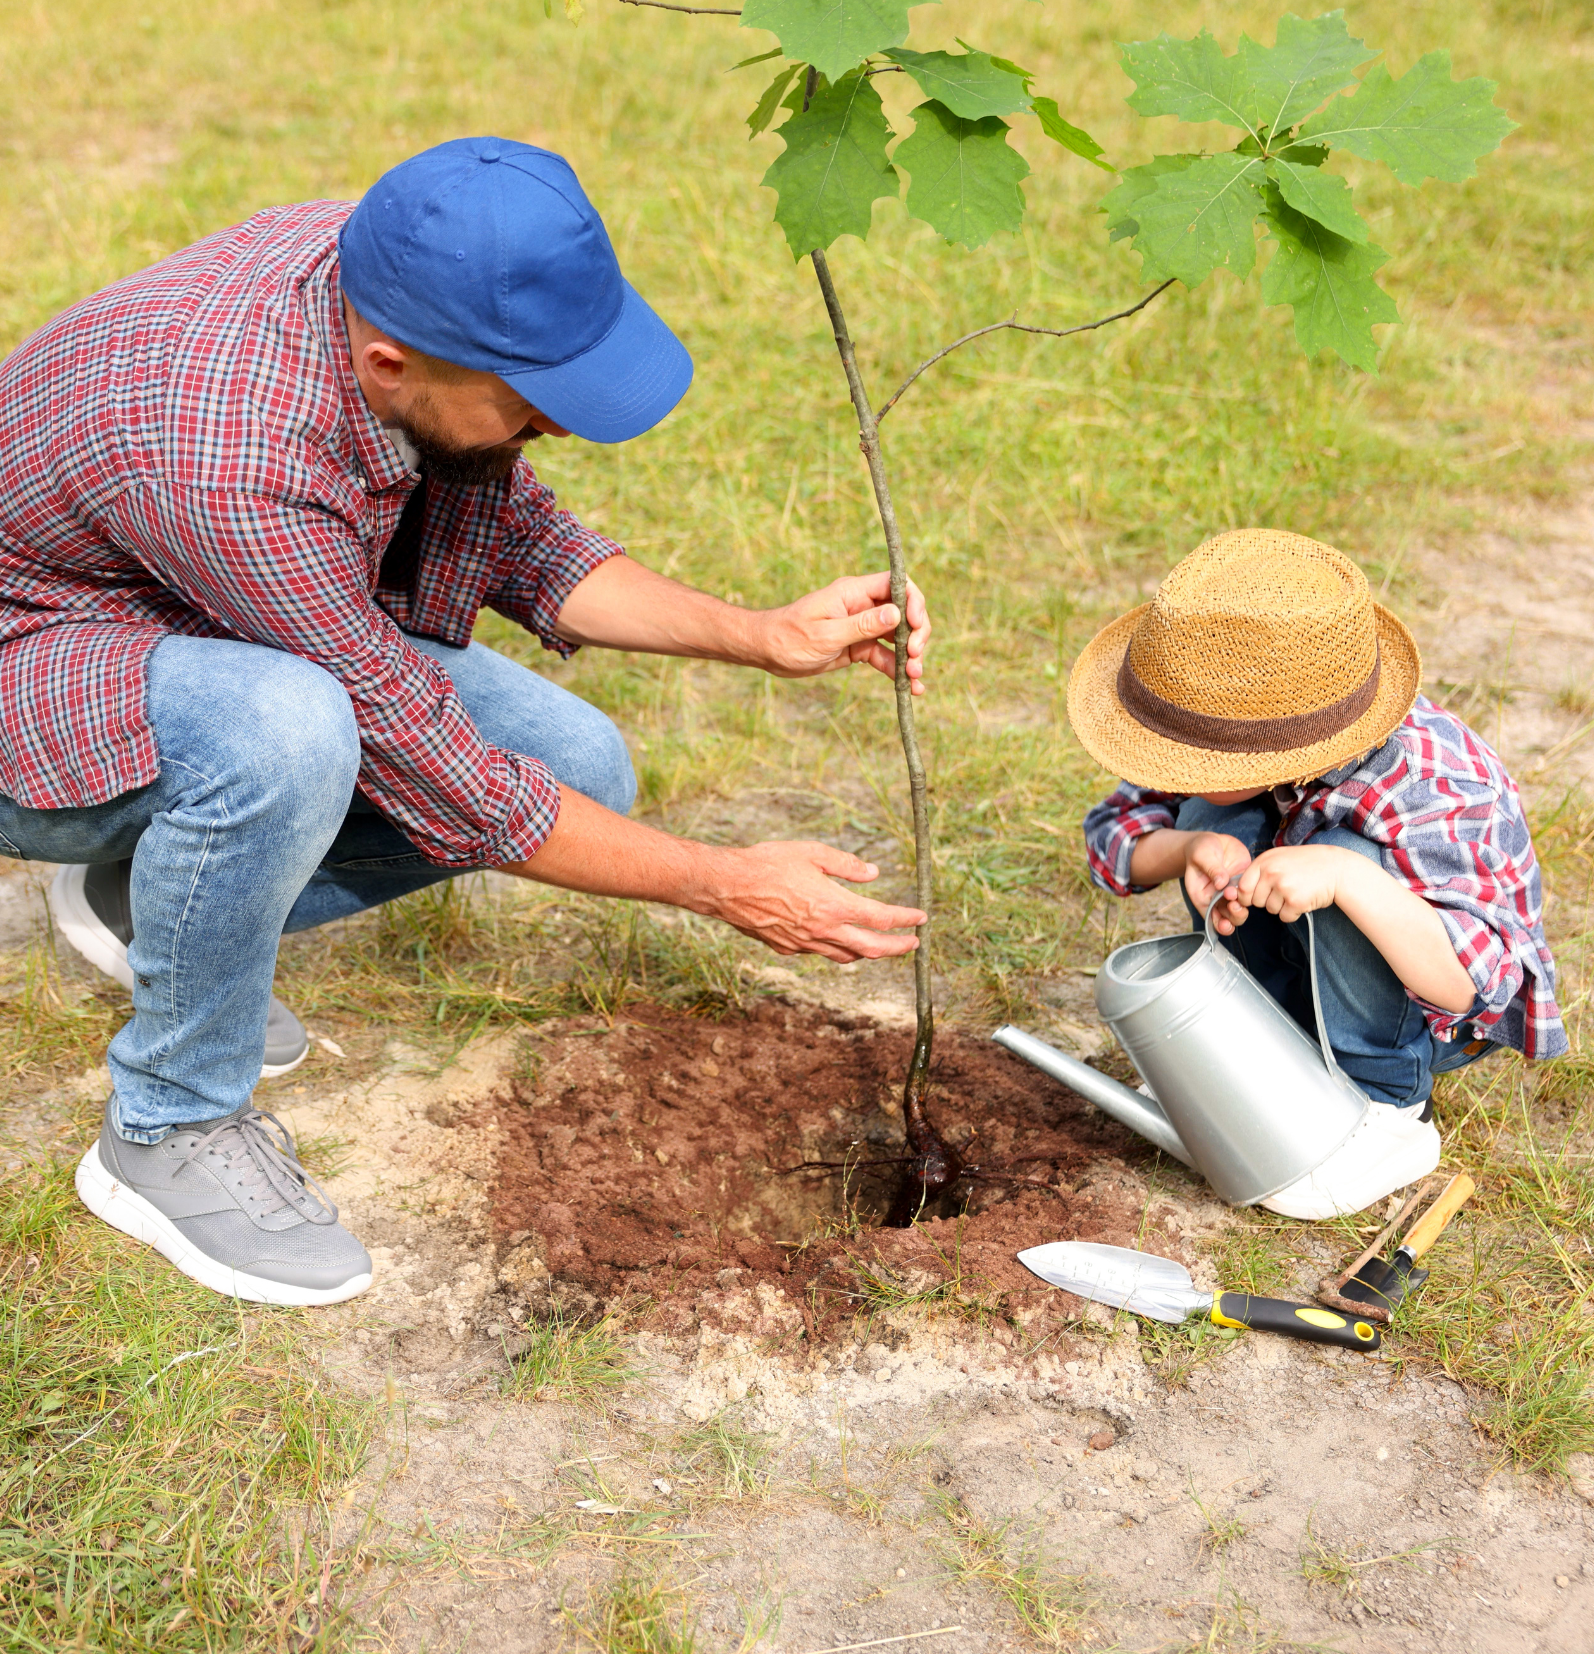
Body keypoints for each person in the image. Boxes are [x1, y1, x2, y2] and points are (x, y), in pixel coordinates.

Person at [0, 137, 931, 1306]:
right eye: (530, 404)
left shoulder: (396, 270)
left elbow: (522, 535)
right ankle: (165, 1129)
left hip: (186, 608)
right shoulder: (227, 454)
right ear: (389, 366)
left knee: (580, 761)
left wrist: (763, 634)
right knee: (290, 735)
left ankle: (153, 897)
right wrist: (721, 882)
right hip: (32, 659)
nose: (559, 424)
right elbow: (433, 768)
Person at [1071, 528, 1564, 1218]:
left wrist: (1342, 878)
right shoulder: (1222, 732)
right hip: (1302, 974)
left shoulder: (1431, 785)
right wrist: (1186, 852)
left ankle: (1388, 1110)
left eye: (1188, 760)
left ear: (1276, 744)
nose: (1170, 769)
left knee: (1350, 862)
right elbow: (1111, 837)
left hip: (1422, 1014)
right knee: (1216, 826)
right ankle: (1269, 1040)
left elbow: (1474, 985)